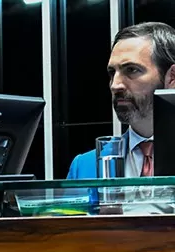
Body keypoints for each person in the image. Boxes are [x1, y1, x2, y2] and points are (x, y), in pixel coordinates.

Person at [67, 22, 175, 179]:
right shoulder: (84, 166)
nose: (115, 85)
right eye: (112, 73)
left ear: (172, 77)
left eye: (131, 70)